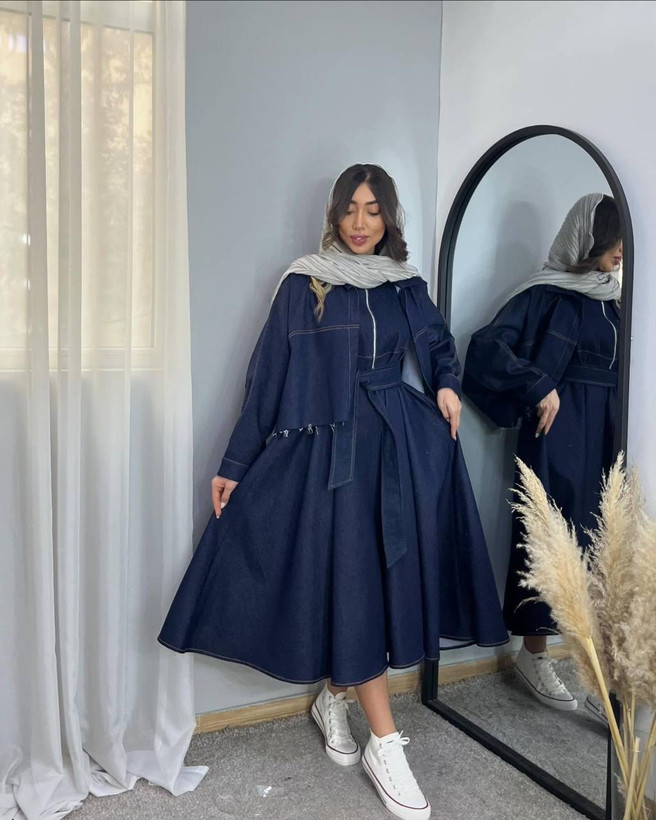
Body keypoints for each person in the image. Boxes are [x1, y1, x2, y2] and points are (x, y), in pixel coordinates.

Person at [158, 164, 508, 820]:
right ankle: (385, 743)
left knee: (372, 583)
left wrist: (446, 384)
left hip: (396, 447)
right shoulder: (305, 282)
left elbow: (436, 344)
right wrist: (235, 461)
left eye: (372, 210)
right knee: (352, 585)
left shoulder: (405, 285)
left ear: (389, 217)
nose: (359, 222)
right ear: (333, 213)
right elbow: (267, 379)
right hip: (327, 453)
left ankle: (334, 698)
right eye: (349, 208)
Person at [462, 193, 622, 714]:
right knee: (550, 536)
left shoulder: (617, 300)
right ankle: (533, 652)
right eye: (612, 237)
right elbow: (485, 348)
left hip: (608, 432)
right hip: (558, 431)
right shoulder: (546, 294)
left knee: (605, 544)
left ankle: (600, 672)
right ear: (587, 237)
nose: (620, 248)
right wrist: (537, 385)